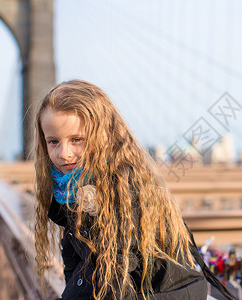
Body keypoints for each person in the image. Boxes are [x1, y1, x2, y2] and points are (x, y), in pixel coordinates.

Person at [33, 80, 217, 300]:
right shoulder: (68, 186)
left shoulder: (121, 187)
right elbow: (75, 261)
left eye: (76, 140)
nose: (64, 153)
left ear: (103, 136)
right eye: (53, 142)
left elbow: (117, 277)